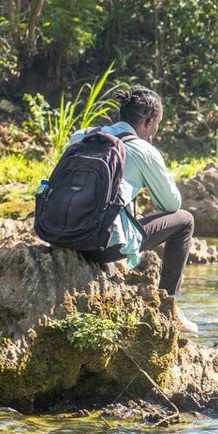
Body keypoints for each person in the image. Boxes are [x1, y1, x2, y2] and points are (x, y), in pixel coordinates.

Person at [66, 86, 198, 333]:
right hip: (97, 245)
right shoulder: (143, 150)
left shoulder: (81, 136)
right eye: (158, 123)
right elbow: (171, 205)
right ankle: (169, 308)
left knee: (115, 218)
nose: (157, 129)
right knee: (185, 221)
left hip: (59, 233)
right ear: (149, 121)